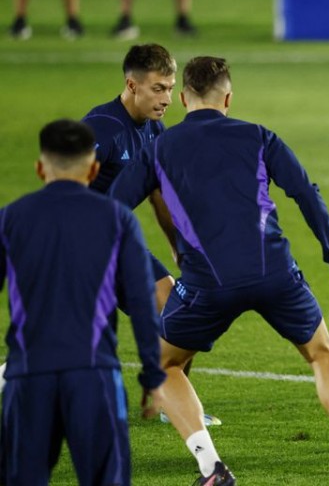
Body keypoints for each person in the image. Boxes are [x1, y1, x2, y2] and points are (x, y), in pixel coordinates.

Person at [109, 56, 329, 486]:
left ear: (183, 98)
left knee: (165, 365)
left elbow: (112, 208)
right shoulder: (258, 135)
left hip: (208, 283)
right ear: (229, 97)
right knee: (321, 354)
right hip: (276, 273)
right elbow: (305, 193)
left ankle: (212, 469)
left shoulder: (160, 147)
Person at [0, 119, 164, 485]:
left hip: (28, 377)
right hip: (93, 376)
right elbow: (141, 301)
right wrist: (153, 374)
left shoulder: (10, 219)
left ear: (41, 167)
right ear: (93, 168)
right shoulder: (117, 219)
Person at [78, 43, 221, 428]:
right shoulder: (102, 128)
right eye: (158, 89)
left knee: (180, 315)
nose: (167, 99)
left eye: (171, 88)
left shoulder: (155, 130)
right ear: (132, 85)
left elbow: (161, 196)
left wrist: (180, 249)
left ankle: (172, 405)